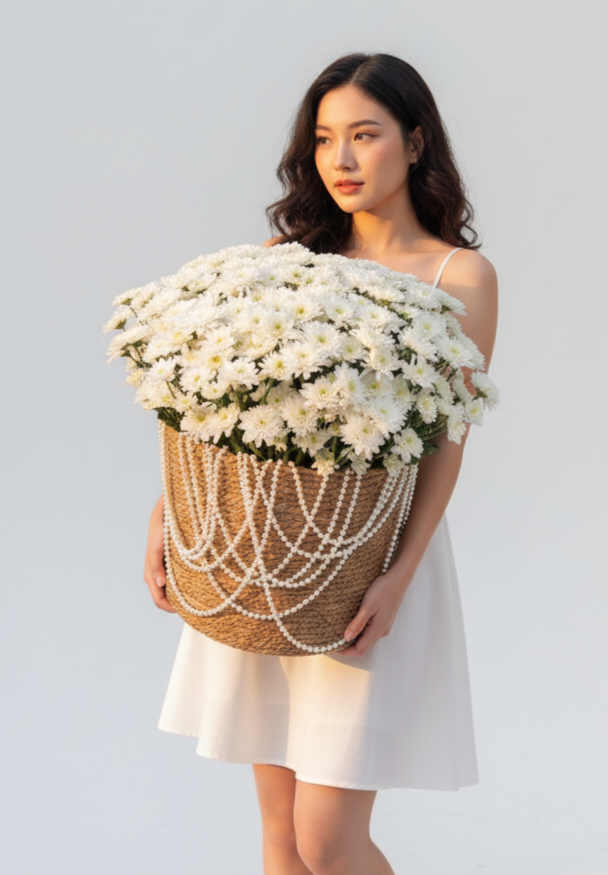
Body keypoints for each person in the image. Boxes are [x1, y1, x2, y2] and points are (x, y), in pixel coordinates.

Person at [144, 52, 498, 875]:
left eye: (365, 135)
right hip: (263, 557)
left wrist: (398, 577)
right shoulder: (288, 257)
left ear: (415, 142)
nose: (341, 159)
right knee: (280, 836)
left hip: (366, 566)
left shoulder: (460, 275)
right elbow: (217, 417)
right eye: (325, 138)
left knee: (326, 840)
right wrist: (171, 515)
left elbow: (448, 444)